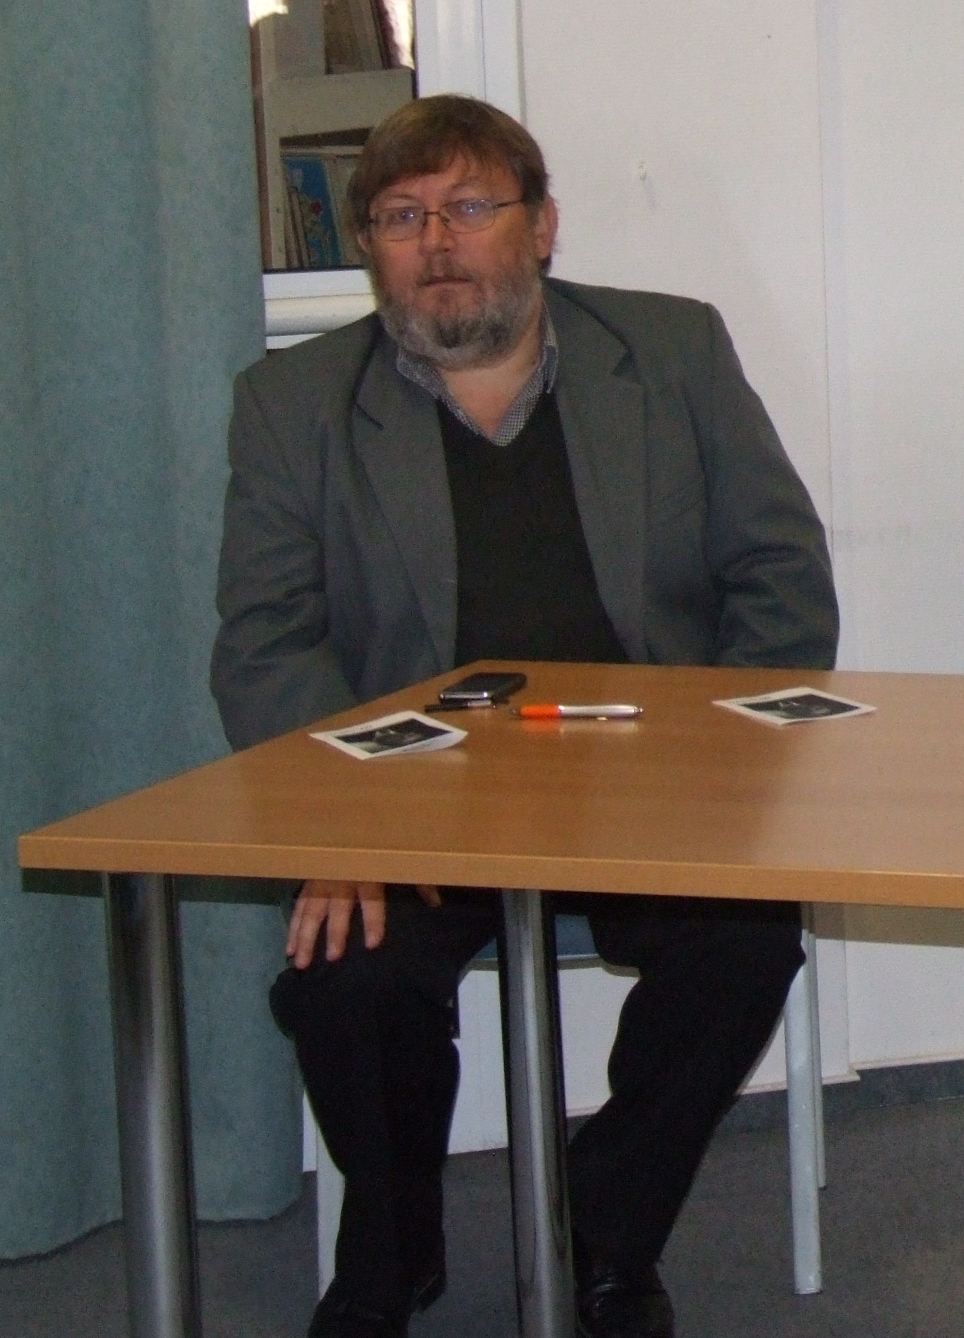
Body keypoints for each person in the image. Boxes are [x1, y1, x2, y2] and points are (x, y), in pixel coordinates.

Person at [211, 96, 838, 1338]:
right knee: (346, 977)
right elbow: (265, 642)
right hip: (414, 802)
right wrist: (345, 817)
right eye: (402, 218)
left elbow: (780, 576)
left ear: (542, 226)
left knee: (744, 937)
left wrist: (720, 767)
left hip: (654, 781)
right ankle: (392, 1256)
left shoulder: (671, 353)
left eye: (469, 208)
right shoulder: (294, 404)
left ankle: (600, 1231)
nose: (437, 242)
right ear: (371, 247)